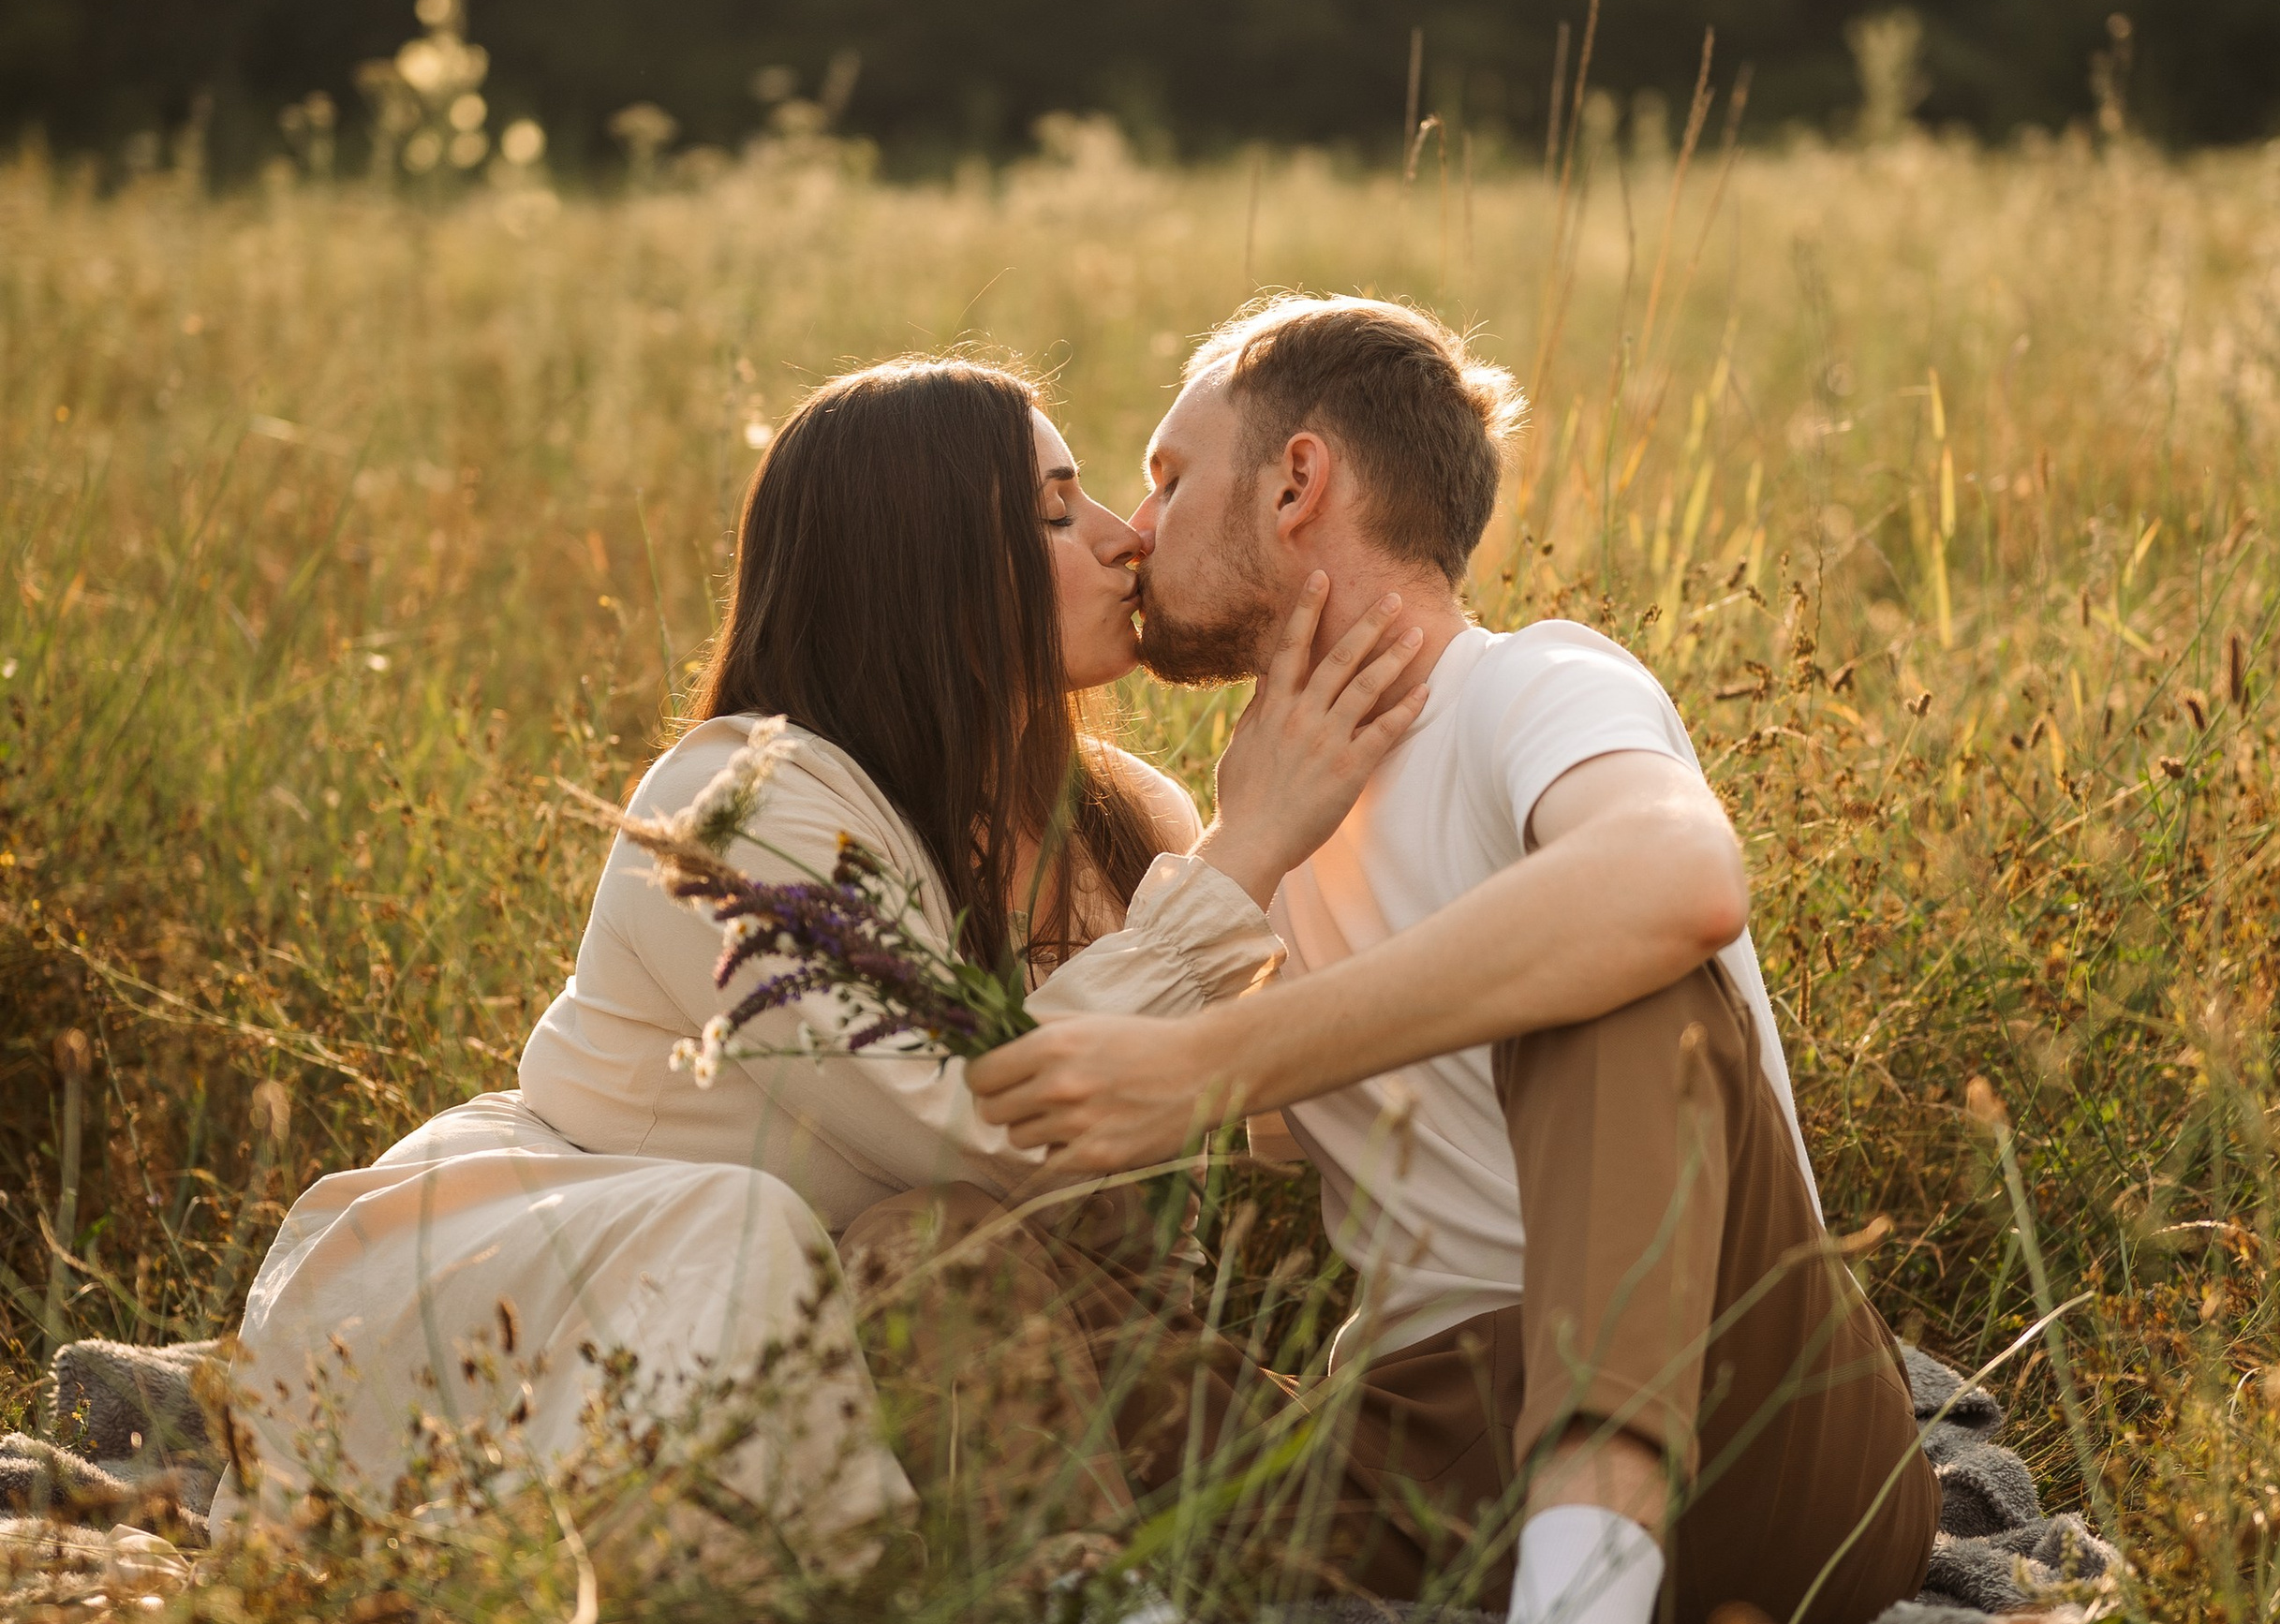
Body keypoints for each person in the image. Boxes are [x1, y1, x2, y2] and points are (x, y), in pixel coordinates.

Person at [966, 296, 1938, 1624]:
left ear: (1295, 484)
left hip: (1748, 1424)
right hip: (1426, 1463)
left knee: (1613, 971)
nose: (1135, 533)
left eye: (1165, 477)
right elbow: (1041, 1121)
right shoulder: (1256, 808)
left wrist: (1216, 1062)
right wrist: (1245, 850)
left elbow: (1675, 883)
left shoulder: (1534, 688)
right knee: (940, 1236)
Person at [219, 357, 1426, 1540]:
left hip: (966, 1342)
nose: (1126, 539)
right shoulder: (739, 809)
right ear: (924, 570)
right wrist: (1248, 852)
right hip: (593, 1289)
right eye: (1058, 511)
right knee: (862, 1240)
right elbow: (974, 1119)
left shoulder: (1127, 824)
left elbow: (1263, 1136)